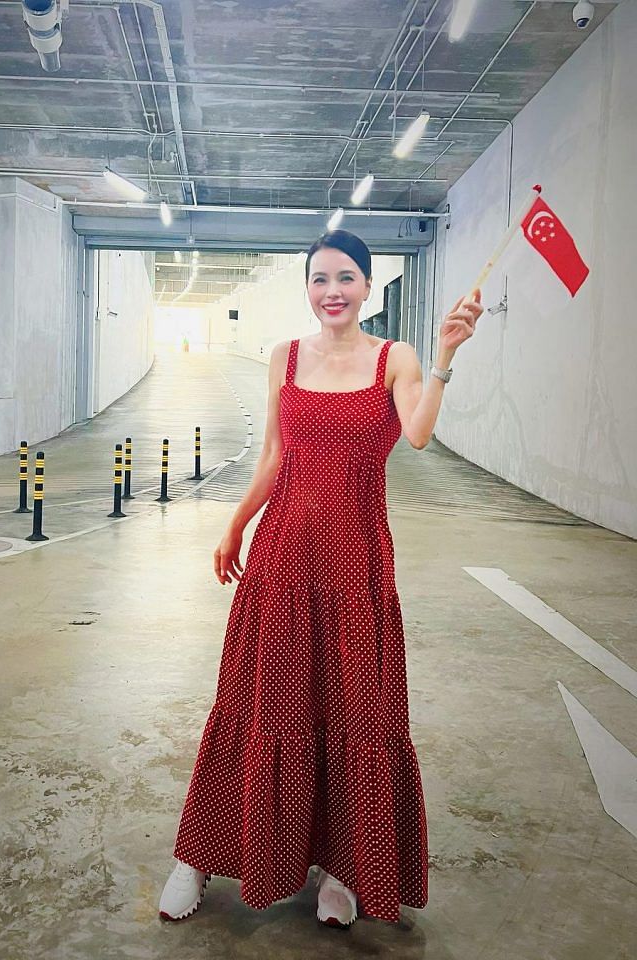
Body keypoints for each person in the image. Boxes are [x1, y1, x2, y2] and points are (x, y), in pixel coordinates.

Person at [159, 229, 483, 928]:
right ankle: (199, 854)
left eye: (345, 278)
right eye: (319, 279)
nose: (331, 291)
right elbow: (275, 453)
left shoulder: (395, 358)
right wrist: (235, 523)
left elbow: (418, 435)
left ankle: (341, 869)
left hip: (358, 565)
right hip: (284, 557)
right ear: (308, 288)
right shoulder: (284, 356)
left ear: (367, 286)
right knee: (255, 702)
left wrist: (448, 357)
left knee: (355, 712)